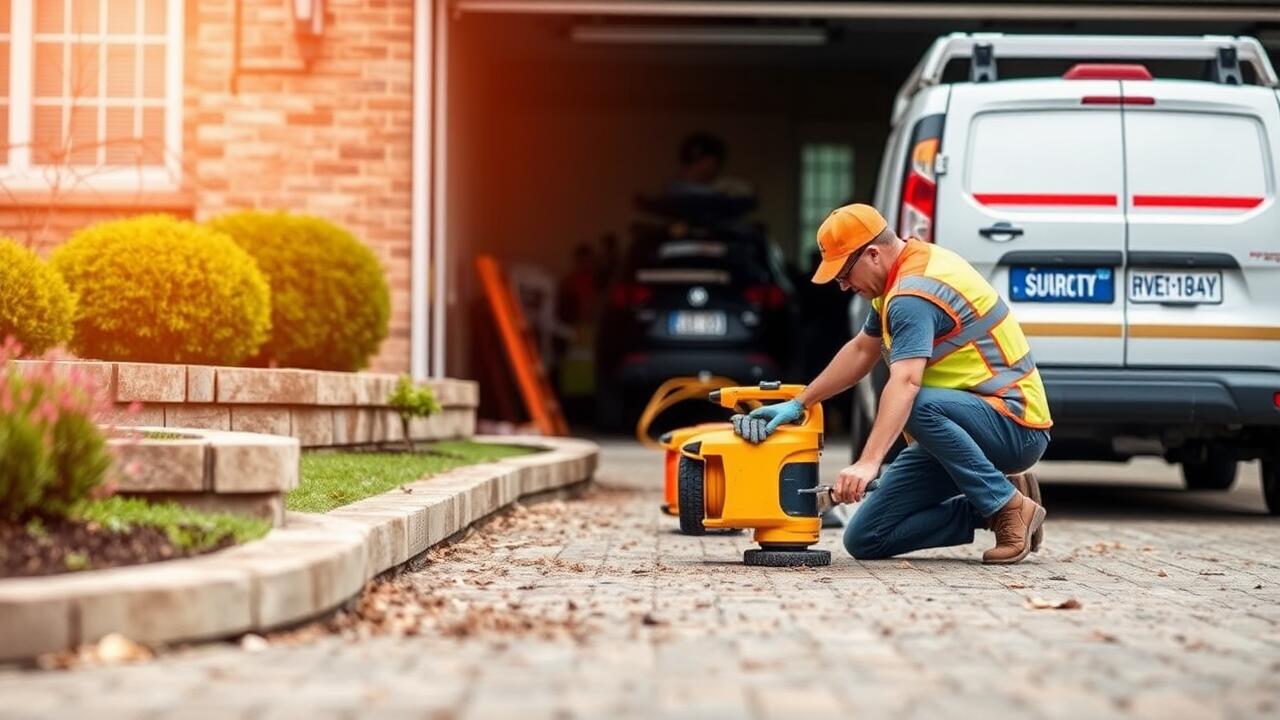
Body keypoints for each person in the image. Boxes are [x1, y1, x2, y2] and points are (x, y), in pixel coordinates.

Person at [734, 204, 1052, 564]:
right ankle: (999, 503)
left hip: (1013, 425)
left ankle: (1005, 506)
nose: (843, 285)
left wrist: (868, 463)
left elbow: (906, 382)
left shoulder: (911, 295)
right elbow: (861, 351)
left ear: (873, 254)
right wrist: (799, 403)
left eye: (844, 273)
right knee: (866, 537)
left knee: (915, 403)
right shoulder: (897, 278)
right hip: (961, 430)